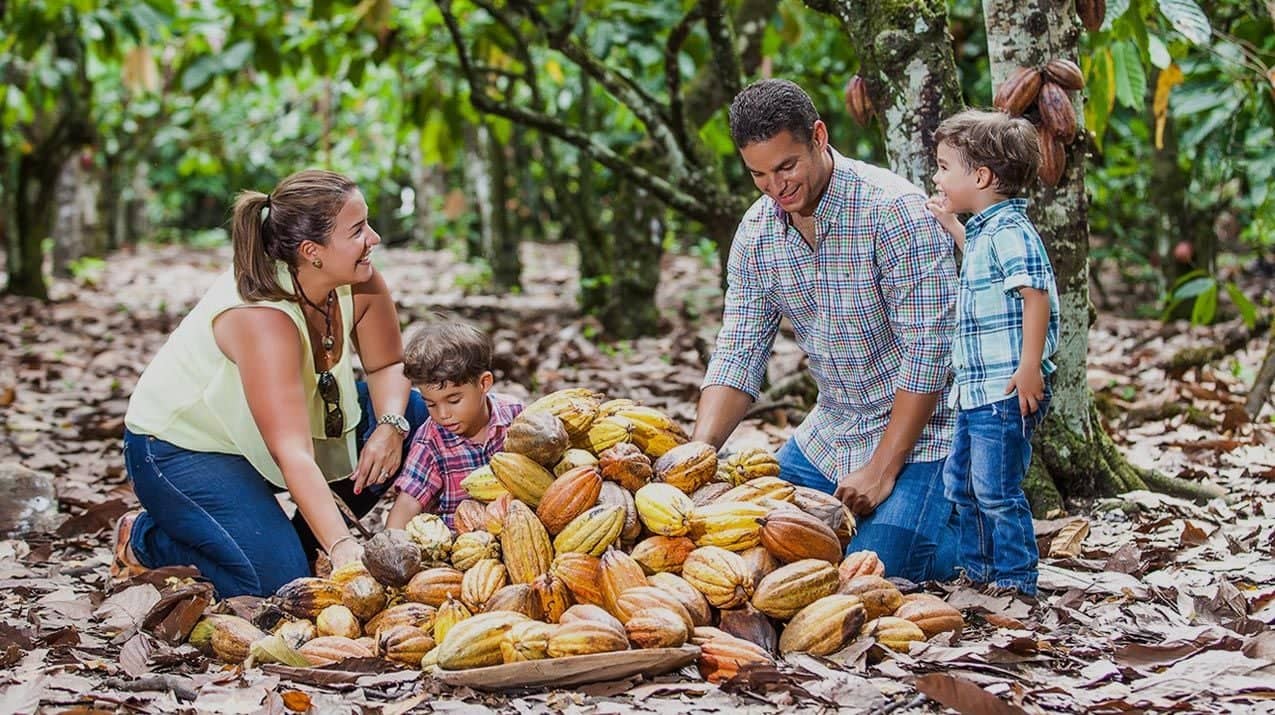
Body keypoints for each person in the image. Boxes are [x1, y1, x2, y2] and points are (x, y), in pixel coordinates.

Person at [113, 169, 428, 598]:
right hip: (183, 449)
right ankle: (146, 538)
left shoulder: (359, 278)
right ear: (311, 251)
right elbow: (292, 451)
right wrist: (343, 547)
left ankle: (297, 544)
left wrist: (390, 426)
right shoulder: (263, 318)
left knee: (412, 411)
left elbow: (387, 365)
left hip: (280, 431)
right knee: (272, 585)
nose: (374, 238)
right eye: (358, 230)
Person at [691, 79, 959, 583]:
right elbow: (738, 351)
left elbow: (930, 357)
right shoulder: (757, 232)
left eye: (786, 167)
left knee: (863, 574)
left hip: (927, 433)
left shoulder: (893, 212)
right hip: (832, 429)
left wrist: (881, 470)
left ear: (818, 136)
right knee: (740, 533)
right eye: (759, 175)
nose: (776, 187)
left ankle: (969, 523)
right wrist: (696, 459)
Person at [925, 109, 1060, 596]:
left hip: (1005, 389)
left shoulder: (1011, 233)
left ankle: (1017, 578)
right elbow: (981, 262)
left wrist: (1029, 367)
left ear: (980, 176)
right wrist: (951, 224)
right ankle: (979, 570)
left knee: (996, 490)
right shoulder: (985, 231)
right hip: (975, 390)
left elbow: (1035, 294)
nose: (936, 176)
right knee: (960, 484)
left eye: (943, 166)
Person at [385, 321, 523, 530]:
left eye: (454, 400)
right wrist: (391, 540)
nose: (443, 414)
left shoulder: (515, 415)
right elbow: (409, 500)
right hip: (460, 542)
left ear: (484, 383)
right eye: (430, 404)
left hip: (518, 527)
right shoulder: (430, 440)